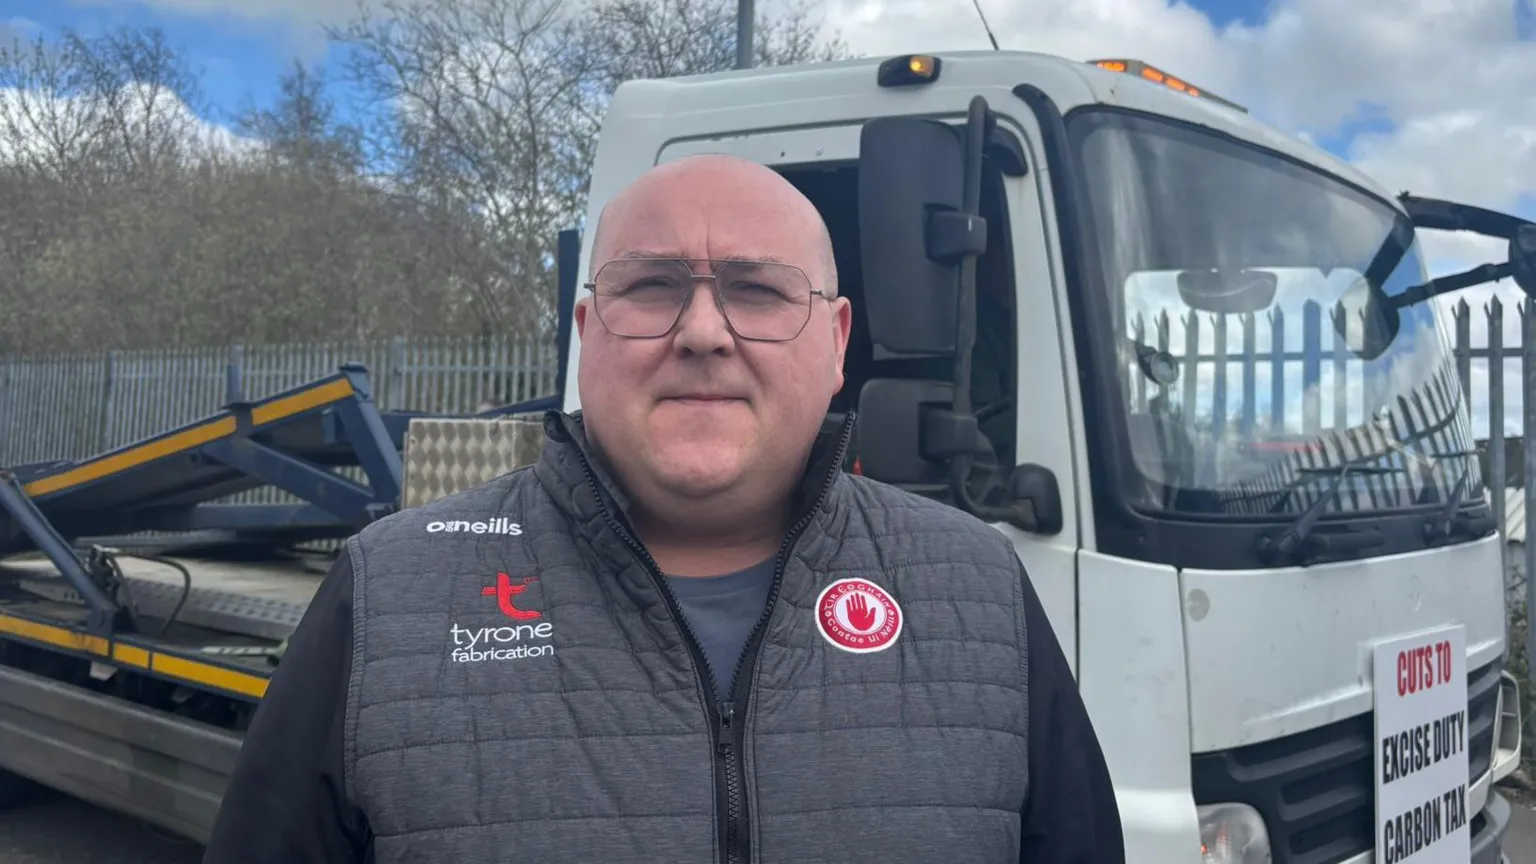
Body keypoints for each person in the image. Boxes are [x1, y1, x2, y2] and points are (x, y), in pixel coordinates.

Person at [201, 153, 1124, 863]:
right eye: (652, 287)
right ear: (586, 331)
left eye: (759, 290)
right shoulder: (389, 594)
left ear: (837, 342)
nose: (704, 333)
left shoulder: (979, 591)